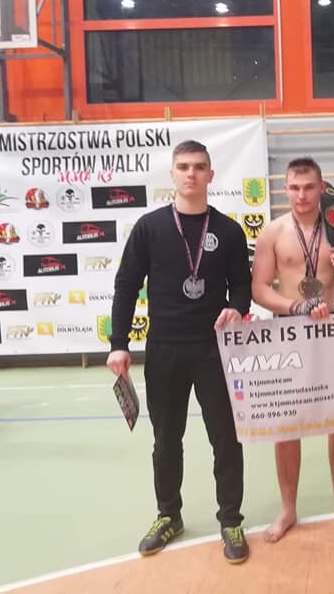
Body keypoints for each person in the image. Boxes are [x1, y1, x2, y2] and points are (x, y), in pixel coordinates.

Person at [106, 140, 252, 564]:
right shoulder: (150, 228)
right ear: (172, 174)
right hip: (165, 349)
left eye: (199, 167)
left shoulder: (228, 230)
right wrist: (119, 344)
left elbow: (242, 285)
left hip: (214, 350)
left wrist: (236, 307)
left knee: (226, 438)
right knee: (166, 439)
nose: (191, 174)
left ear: (211, 174)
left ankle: (231, 519)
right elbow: (126, 285)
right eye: (184, 167)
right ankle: (168, 515)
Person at [251, 157, 334, 542]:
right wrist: (295, 306)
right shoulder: (273, 232)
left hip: (333, 333)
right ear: (285, 189)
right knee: (287, 426)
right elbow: (259, 289)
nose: (301, 195)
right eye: (294, 188)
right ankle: (288, 509)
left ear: (321, 188)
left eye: (308, 187)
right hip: (289, 333)